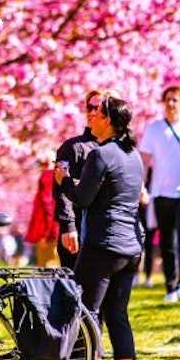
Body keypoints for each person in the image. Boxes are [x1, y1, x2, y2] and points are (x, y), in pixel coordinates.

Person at [56, 95, 143, 360]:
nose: (89, 117)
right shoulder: (135, 155)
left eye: (96, 113)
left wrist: (65, 180)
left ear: (108, 119)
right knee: (118, 313)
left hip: (102, 245)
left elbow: (82, 199)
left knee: (88, 312)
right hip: (131, 246)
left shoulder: (101, 155)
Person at [138, 86, 180, 304]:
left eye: (175, 100)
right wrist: (141, 186)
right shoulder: (154, 129)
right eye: (167, 100)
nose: (171, 104)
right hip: (161, 193)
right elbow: (144, 161)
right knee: (167, 242)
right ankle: (170, 286)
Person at [54, 90, 112, 271]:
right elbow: (60, 187)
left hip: (107, 231)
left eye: (99, 108)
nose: (93, 112)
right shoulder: (72, 147)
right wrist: (68, 226)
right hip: (78, 230)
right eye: (90, 107)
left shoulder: (117, 148)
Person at [25, 153, 59, 266]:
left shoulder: (47, 177)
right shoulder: (55, 176)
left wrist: (45, 234)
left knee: (47, 269)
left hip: (48, 234)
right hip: (54, 231)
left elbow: (49, 206)